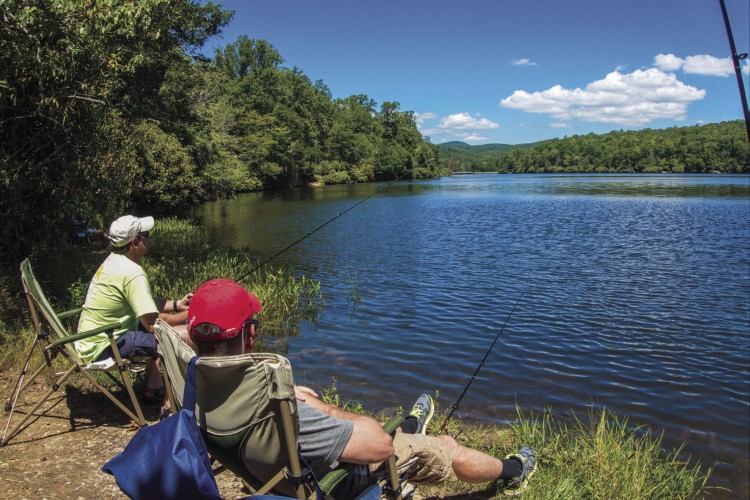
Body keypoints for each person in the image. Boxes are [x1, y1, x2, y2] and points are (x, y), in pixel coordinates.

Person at [187, 278, 538, 497]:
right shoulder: (274, 409)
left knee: (367, 423)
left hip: (270, 475)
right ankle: (514, 470)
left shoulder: (196, 383)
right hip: (334, 482)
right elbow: (378, 447)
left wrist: (293, 396)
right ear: (250, 333)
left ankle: (410, 425)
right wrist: (319, 408)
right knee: (443, 446)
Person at [76, 215, 193, 406]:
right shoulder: (132, 273)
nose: (149, 238)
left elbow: (143, 301)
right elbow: (154, 325)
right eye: (146, 235)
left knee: (161, 331)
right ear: (135, 242)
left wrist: (177, 305)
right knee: (185, 336)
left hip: (93, 339)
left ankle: (154, 387)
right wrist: (189, 316)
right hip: (105, 346)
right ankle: (171, 403)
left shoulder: (114, 261)